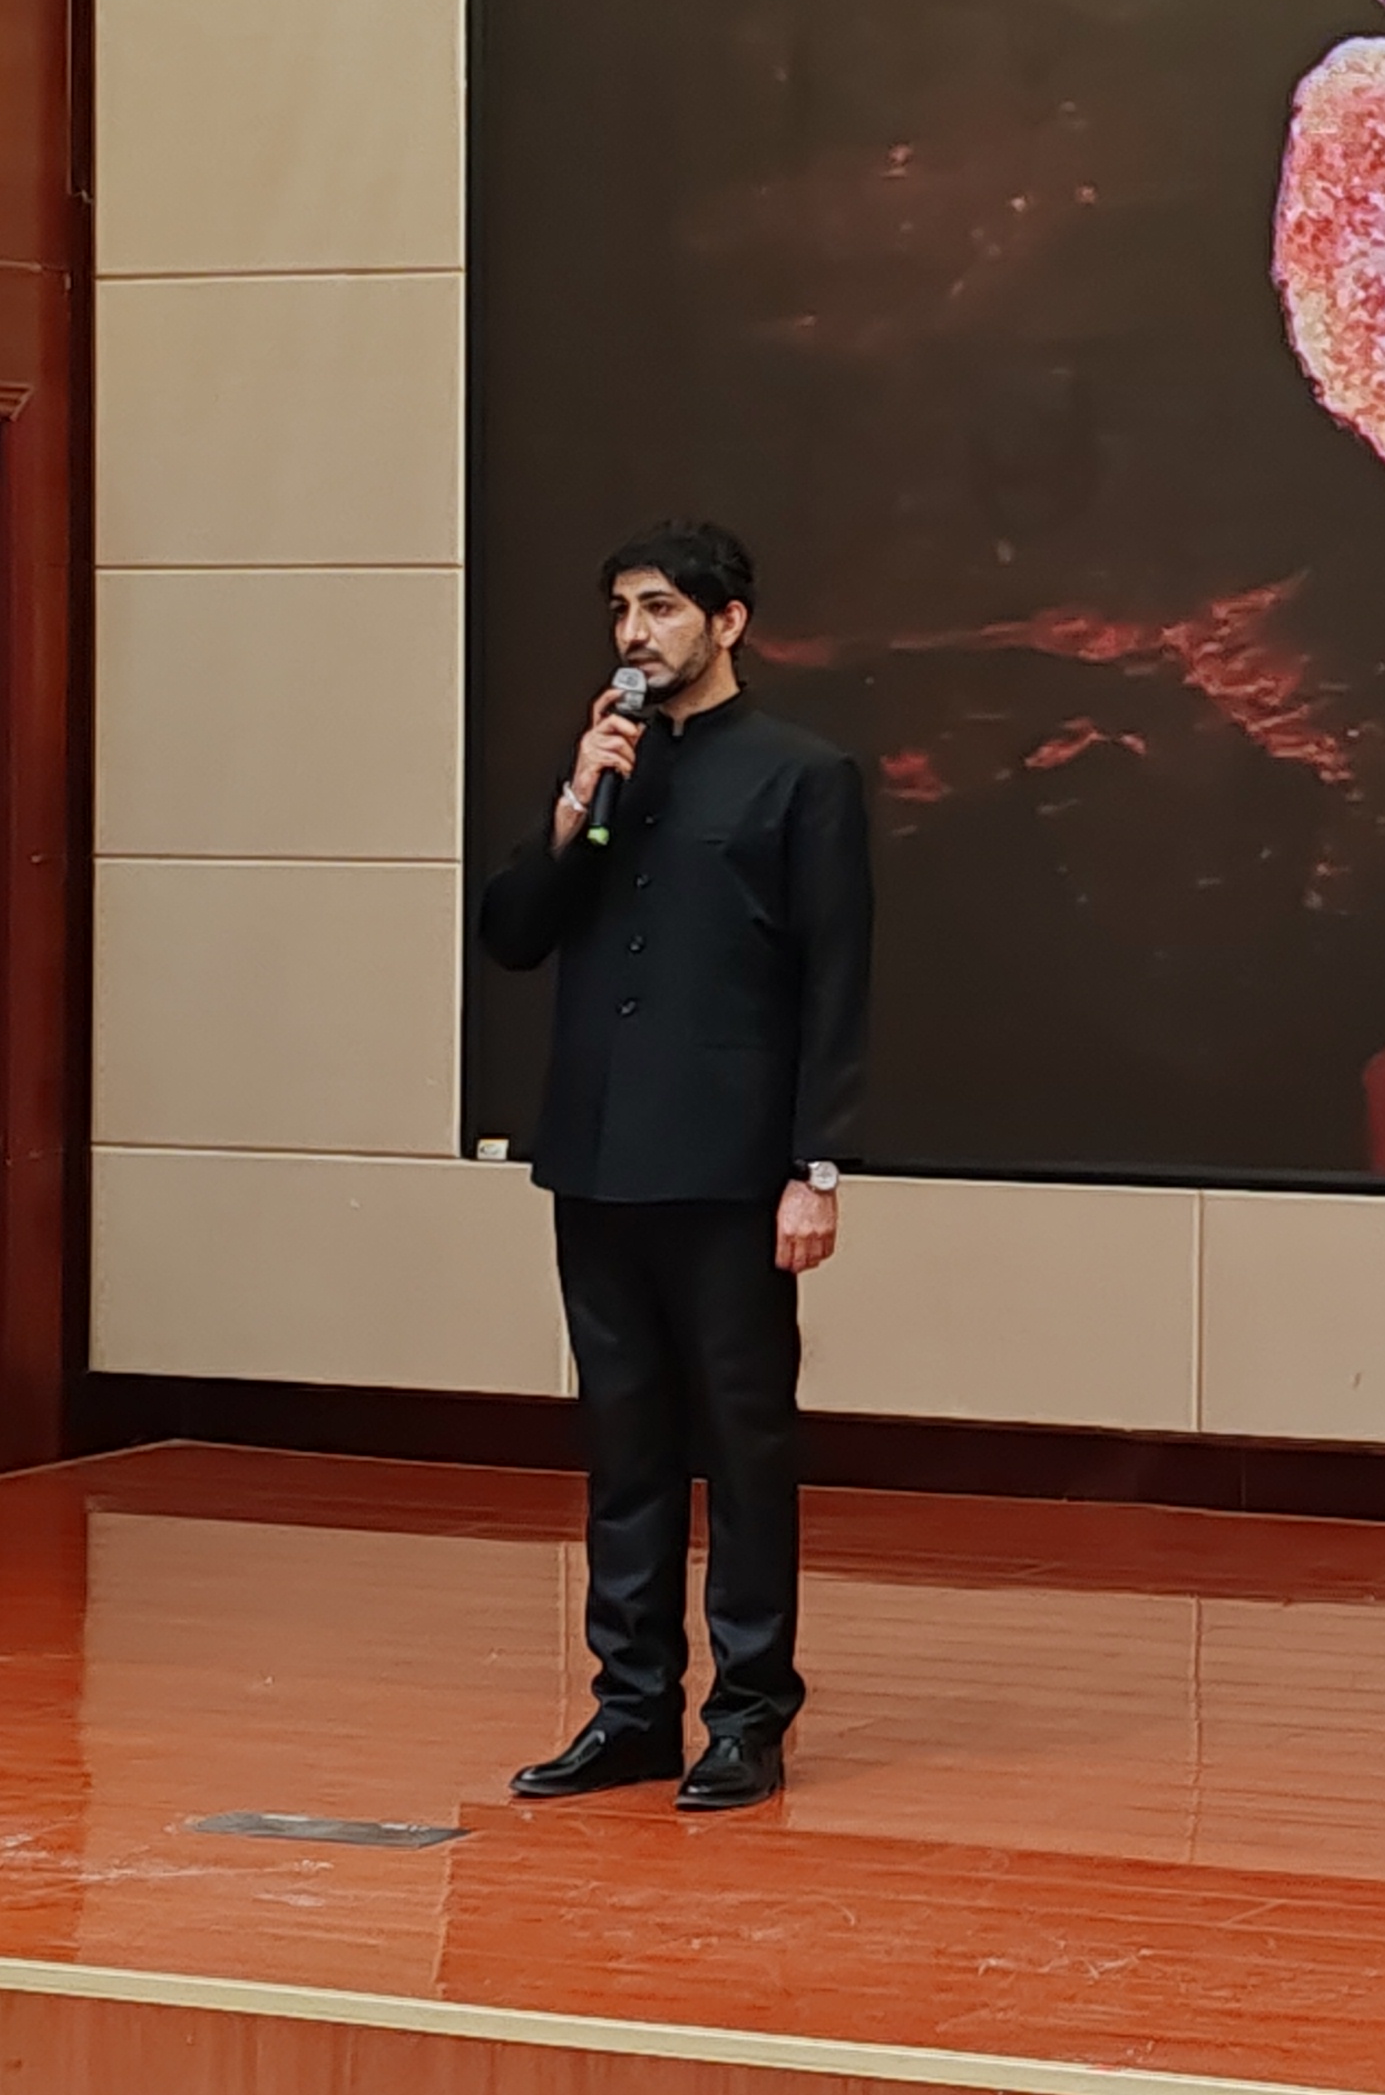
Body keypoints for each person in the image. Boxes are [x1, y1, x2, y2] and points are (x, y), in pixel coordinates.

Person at [479, 520, 870, 1814]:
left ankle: (748, 1715)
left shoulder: (801, 776)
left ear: (728, 622)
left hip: (731, 1168)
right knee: (625, 1442)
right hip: (597, 1158)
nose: (634, 634)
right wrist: (573, 804)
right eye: (620, 611)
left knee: (744, 1448)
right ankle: (630, 1709)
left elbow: (834, 982)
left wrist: (817, 1167)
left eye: (659, 608)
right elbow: (513, 934)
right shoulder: (609, 770)